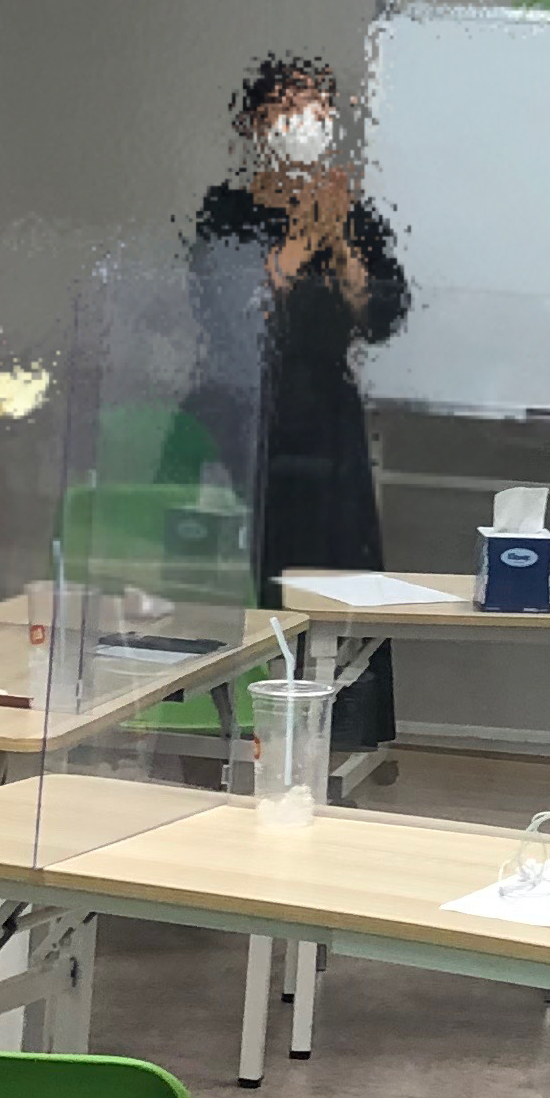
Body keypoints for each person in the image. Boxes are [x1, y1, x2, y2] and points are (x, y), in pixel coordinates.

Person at [194, 53, 409, 756]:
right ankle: (243, 733)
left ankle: (336, 740)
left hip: (327, 425)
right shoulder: (226, 212)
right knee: (251, 579)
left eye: (316, 109)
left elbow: (381, 316)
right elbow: (232, 313)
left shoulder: (355, 215)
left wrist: (338, 238)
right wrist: (301, 240)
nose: (303, 124)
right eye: (286, 109)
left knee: (339, 581)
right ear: (253, 123)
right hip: (246, 424)